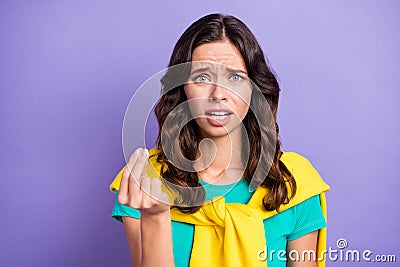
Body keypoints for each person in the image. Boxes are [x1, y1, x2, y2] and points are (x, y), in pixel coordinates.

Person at [109, 13, 330, 267]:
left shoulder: (294, 182)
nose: (218, 94)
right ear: (182, 89)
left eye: (235, 77)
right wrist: (156, 217)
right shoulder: (145, 179)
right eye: (202, 78)